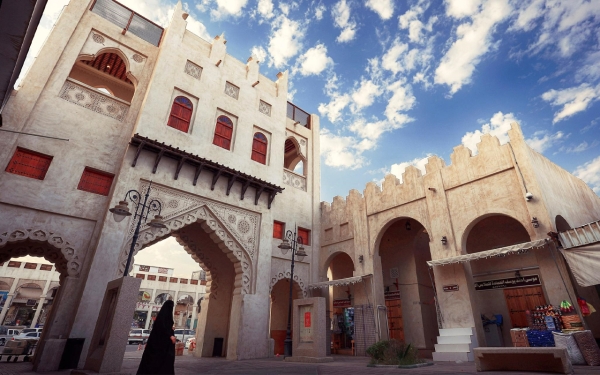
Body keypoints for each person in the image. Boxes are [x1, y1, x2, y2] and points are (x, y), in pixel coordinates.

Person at [137, 300, 176, 374]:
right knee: (162, 362)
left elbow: (162, 327)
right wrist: (170, 335)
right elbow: (162, 328)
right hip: (162, 346)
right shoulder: (164, 319)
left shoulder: (161, 318)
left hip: (157, 346)